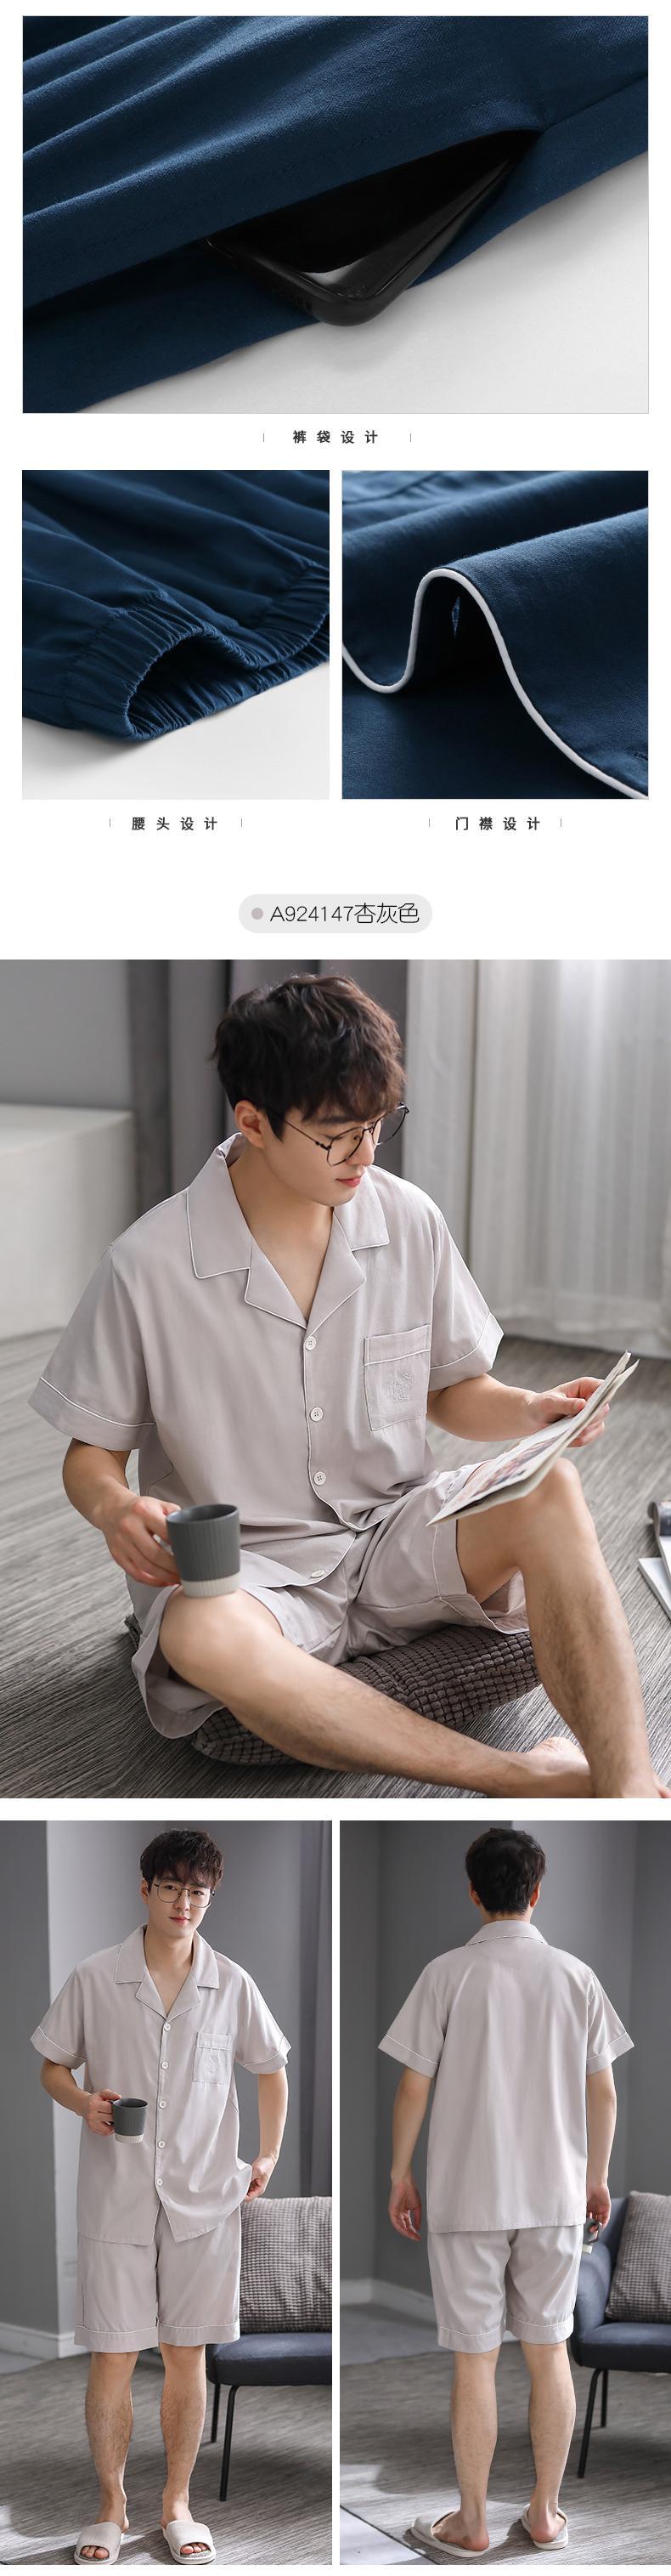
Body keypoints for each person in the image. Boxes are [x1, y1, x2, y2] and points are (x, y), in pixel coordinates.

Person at [31, 973, 665, 1798]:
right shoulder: (147, 1265)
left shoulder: (408, 1219)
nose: (365, 1155)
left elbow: (450, 1391)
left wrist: (528, 1409)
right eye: (338, 1135)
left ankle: (627, 1787)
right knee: (200, 1638)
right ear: (253, 1122)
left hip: (397, 1531)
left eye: (377, 1126)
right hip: (249, 1574)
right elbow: (90, 1456)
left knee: (554, 1489)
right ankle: (521, 1777)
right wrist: (116, 1508)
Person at [31, 1827, 290, 2566]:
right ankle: (111, 2505)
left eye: (198, 1891)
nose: (185, 1902)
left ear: (211, 1897)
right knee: (114, 2355)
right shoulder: (95, 1976)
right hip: (115, 2197)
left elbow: (271, 2068)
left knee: (185, 2353)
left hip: (204, 2201)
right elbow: (52, 2066)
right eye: (172, 1886)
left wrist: (268, 2153)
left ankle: (177, 2502)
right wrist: (85, 2102)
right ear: (145, 1888)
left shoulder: (232, 1983)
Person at [380, 1825, 633, 2558]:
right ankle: (546, 2514)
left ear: (473, 1891)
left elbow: (413, 2086)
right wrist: (595, 2176)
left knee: (476, 2358)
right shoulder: (577, 1976)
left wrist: (400, 2173)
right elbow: (604, 2093)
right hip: (554, 2196)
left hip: (468, 2195)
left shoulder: (446, 1973)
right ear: (537, 1891)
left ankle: (472, 2522)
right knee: (550, 2351)